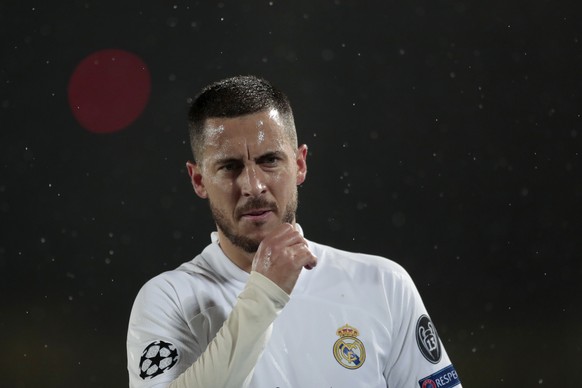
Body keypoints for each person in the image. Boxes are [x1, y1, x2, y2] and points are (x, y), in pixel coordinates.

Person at [126, 75, 462, 388]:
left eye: (269, 160)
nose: (253, 185)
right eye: (229, 166)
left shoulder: (383, 285)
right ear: (198, 179)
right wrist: (264, 294)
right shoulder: (168, 300)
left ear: (299, 164)